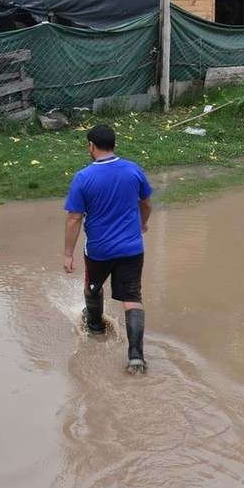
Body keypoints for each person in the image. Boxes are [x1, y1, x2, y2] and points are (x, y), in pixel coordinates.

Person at [63, 125, 153, 375]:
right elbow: (145, 202)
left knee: (92, 287)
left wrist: (68, 253)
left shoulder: (83, 177)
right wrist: (143, 223)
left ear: (91, 146)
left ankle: (95, 326)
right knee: (132, 298)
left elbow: (74, 218)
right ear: (115, 144)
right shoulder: (134, 170)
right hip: (133, 248)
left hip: (100, 251)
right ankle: (136, 357)